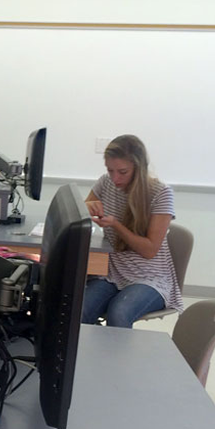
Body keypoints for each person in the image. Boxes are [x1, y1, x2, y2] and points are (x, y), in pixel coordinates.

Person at [80, 134, 183, 328]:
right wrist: (90, 207)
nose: (115, 178)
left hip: (149, 277)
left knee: (119, 313)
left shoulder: (161, 193)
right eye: (110, 170)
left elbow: (149, 250)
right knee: (79, 309)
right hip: (111, 272)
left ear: (138, 168)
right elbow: (85, 205)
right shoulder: (106, 182)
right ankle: (87, 355)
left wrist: (116, 225)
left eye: (123, 172)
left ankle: (116, 358)